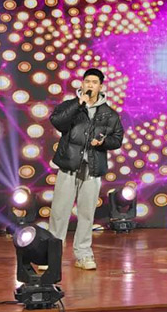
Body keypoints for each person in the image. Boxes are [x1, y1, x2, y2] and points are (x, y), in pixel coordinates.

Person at [48, 68, 124, 270]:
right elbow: (57, 122)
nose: (90, 85)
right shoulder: (70, 106)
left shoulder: (109, 114)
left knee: (86, 213)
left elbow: (117, 139)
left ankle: (83, 254)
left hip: (92, 168)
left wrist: (103, 142)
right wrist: (78, 104)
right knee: (59, 212)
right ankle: (51, 256)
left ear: (101, 86)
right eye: (87, 81)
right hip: (68, 166)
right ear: (82, 84)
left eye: (94, 82)